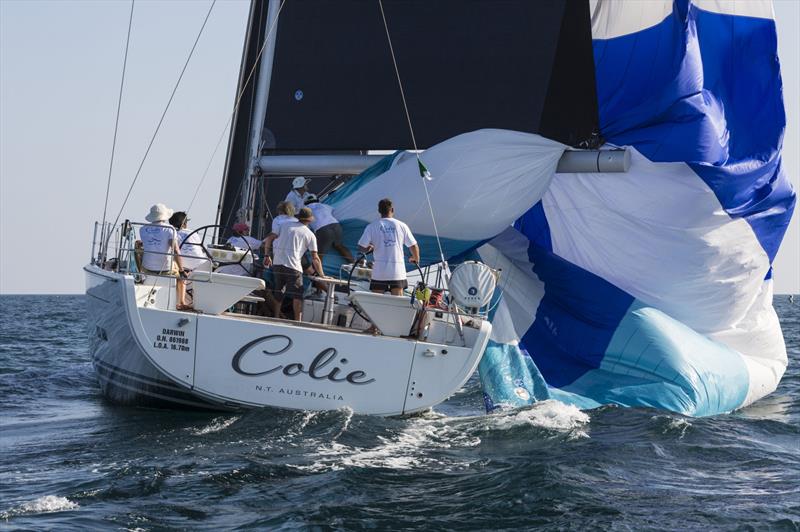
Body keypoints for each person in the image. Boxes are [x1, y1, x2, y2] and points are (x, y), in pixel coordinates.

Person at [263, 207, 325, 321]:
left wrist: (267, 255)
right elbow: (315, 258)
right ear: (310, 220)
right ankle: (298, 321)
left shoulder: (284, 226)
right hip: (293, 266)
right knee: (297, 295)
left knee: (278, 291)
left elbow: (269, 239)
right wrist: (321, 275)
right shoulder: (310, 235)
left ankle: (276, 317)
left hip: (277, 263)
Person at [357, 198, 420, 296]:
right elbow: (413, 245)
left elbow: (361, 247)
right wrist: (415, 258)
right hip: (397, 271)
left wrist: (369, 248)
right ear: (392, 210)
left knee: (377, 302)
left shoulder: (371, 226)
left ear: (379, 211)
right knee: (398, 303)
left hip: (379, 272)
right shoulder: (402, 225)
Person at [140, 203, 191, 310]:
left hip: (147, 268)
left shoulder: (143, 229)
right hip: (165, 269)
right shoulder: (170, 229)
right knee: (181, 275)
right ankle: (181, 302)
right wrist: (182, 270)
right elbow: (176, 250)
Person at [304, 194, 354, 265]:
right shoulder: (325, 205)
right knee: (339, 246)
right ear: (317, 200)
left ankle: (317, 273)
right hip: (336, 225)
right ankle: (354, 264)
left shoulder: (305, 210)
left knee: (318, 254)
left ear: (305, 203)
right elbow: (334, 210)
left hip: (322, 229)